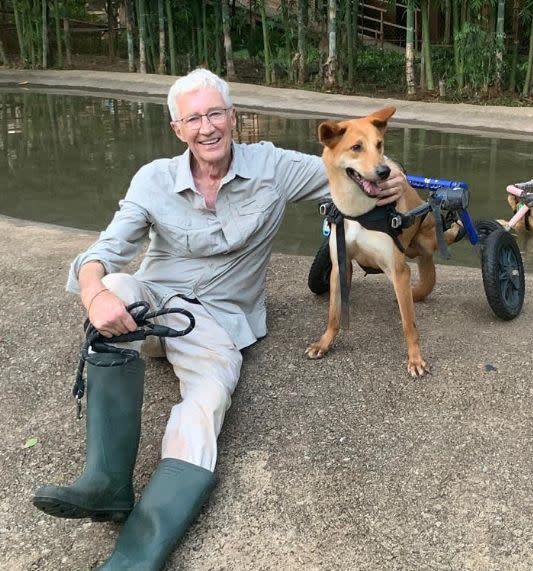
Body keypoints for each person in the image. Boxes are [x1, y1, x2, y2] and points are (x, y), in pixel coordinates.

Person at [31, 68, 406, 570]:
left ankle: (136, 556)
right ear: (177, 130)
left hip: (218, 321)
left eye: (215, 114)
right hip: (153, 301)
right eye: (193, 118)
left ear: (232, 118)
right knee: (116, 285)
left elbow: (355, 163)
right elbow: (107, 248)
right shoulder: (154, 179)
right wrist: (94, 292)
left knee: (206, 402)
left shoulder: (271, 167)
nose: (207, 127)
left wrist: (393, 176)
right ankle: (105, 483)